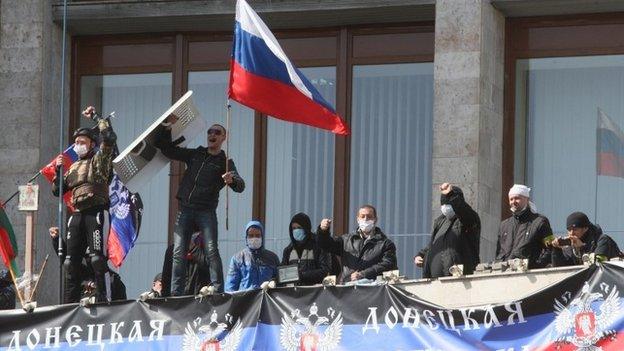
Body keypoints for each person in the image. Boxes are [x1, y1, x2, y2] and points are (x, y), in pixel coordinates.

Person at [156, 120, 245, 295]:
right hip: (186, 209)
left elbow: (241, 186)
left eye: (217, 132)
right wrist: (167, 128)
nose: (212, 135)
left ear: (224, 137)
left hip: (206, 211)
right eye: (210, 131)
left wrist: (232, 180)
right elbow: (168, 150)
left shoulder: (225, 162)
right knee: (178, 252)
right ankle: (176, 295)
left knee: (211, 250)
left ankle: (218, 290)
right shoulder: (197, 154)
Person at [52, 106, 117, 303]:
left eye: (82, 142)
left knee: (97, 259)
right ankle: (69, 305)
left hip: (96, 212)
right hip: (77, 213)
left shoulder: (100, 160)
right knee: (70, 263)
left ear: (91, 144)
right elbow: (57, 190)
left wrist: (96, 117)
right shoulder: (72, 167)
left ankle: (103, 298)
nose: (78, 145)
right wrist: (58, 171)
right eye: (76, 142)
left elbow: (109, 137)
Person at [317, 205, 397, 284]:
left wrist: (363, 274)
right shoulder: (346, 240)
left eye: (369, 216)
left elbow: (388, 264)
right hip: (347, 289)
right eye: (362, 216)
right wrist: (323, 231)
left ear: (375, 219)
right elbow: (325, 245)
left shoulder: (385, 243)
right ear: (358, 219)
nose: (365, 219)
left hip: (373, 291)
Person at [414, 183, 480, 278]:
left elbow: (465, 212)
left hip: (460, 279)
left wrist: (451, 195)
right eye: (444, 204)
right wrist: (421, 255)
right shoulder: (440, 222)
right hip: (434, 282)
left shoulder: (468, 219)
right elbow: (434, 243)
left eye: (448, 204)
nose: (445, 207)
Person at [49, 226, 127, 301]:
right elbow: (68, 261)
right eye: (88, 257)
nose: (91, 260)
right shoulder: (82, 274)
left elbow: (122, 310)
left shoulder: (113, 279)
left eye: (94, 257)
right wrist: (56, 240)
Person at [495, 184, 554, 269]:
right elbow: (499, 252)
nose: (513, 202)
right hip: (504, 275)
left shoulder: (540, 221)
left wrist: (536, 266)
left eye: (517, 198)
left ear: (527, 199)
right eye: (511, 199)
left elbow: (550, 250)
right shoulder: (504, 225)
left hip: (529, 275)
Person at [225, 221, 280, 293]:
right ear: (246, 237)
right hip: (246, 302)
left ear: (262, 237)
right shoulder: (238, 258)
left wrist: (274, 282)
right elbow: (230, 288)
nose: (254, 238)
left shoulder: (272, 258)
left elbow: (280, 282)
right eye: (251, 235)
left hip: (267, 301)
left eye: (257, 235)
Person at [551, 212, 622, 266]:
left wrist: (582, 247)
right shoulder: (570, 247)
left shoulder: (602, 241)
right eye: (569, 230)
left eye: (575, 229)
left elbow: (597, 266)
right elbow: (562, 269)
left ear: (585, 228)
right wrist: (557, 250)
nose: (571, 233)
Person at [281, 213, 330, 285]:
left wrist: (302, 275)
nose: (296, 231)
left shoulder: (318, 246)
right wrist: (274, 280)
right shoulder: (288, 250)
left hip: (314, 293)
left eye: (299, 228)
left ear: (306, 228)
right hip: (292, 293)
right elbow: (282, 272)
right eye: (294, 228)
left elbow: (325, 271)